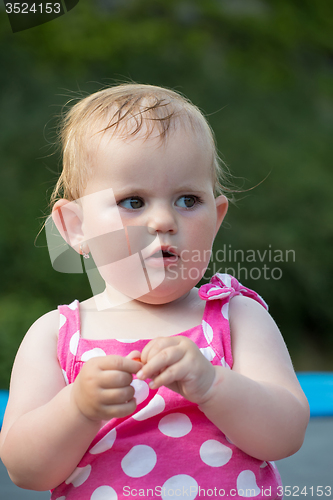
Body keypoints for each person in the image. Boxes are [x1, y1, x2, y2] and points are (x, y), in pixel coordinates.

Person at [0, 84, 309, 499]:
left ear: (216, 220)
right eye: (132, 201)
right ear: (76, 227)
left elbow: (285, 435)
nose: (163, 220)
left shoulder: (235, 317)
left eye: (187, 199)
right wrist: (77, 408)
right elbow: (25, 470)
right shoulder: (55, 336)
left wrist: (212, 385)